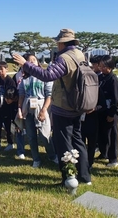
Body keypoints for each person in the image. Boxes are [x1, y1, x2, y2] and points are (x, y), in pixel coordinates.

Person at [13, 29, 91, 185]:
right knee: (78, 141)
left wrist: (25, 64)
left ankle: (68, 178)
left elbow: (47, 75)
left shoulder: (64, 58)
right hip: (78, 104)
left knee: (64, 144)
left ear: (62, 43)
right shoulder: (80, 54)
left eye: (58, 42)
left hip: (64, 106)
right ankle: (85, 176)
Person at [17, 53, 58, 168]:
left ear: (38, 63)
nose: (32, 62)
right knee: (31, 136)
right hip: (27, 107)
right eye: (29, 61)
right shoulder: (23, 79)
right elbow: (21, 95)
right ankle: (36, 158)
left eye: (34, 60)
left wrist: (44, 110)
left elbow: (49, 95)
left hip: (41, 105)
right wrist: (19, 109)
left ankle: (52, 155)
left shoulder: (45, 76)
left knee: (45, 135)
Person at [81, 55, 106, 169]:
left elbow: (103, 104)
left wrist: (94, 109)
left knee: (91, 143)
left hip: (92, 118)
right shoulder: (77, 87)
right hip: (80, 118)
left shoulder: (97, 87)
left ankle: (89, 163)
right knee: (80, 142)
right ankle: (80, 161)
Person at [97, 55, 118, 167]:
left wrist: (112, 113)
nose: (101, 68)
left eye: (103, 66)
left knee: (112, 135)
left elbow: (115, 99)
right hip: (101, 110)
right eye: (100, 65)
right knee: (102, 134)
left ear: (110, 67)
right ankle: (103, 153)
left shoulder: (113, 79)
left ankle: (113, 158)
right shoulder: (101, 77)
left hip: (110, 111)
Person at [0, 61, 16, 151]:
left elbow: (12, 94)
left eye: (2, 69)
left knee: (8, 126)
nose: (0, 71)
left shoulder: (10, 81)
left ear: (7, 69)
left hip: (7, 106)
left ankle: (10, 143)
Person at [13, 67, 26, 159]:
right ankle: (20, 150)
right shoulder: (17, 76)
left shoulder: (39, 75)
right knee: (19, 128)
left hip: (35, 107)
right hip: (20, 105)